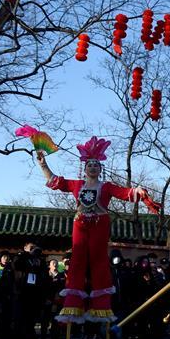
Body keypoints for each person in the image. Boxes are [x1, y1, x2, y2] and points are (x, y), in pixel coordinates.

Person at [35, 138, 159, 324]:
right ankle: (72, 304)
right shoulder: (76, 185)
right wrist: (43, 164)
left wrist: (139, 191)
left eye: (96, 165)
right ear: (84, 169)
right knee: (77, 259)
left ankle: (101, 306)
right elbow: (55, 181)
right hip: (80, 223)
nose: (92, 167)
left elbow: (125, 193)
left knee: (98, 260)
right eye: (89, 165)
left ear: (100, 169)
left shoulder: (106, 187)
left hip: (100, 224)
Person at [8, 243, 45, 339]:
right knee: (18, 322)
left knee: (30, 323)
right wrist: (26, 255)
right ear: (25, 248)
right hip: (20, 294)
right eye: (31, 248)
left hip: (32, 296)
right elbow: (16, 265)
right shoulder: (20, 257)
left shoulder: (36, 261)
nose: (33, 250)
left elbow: (40, 276)